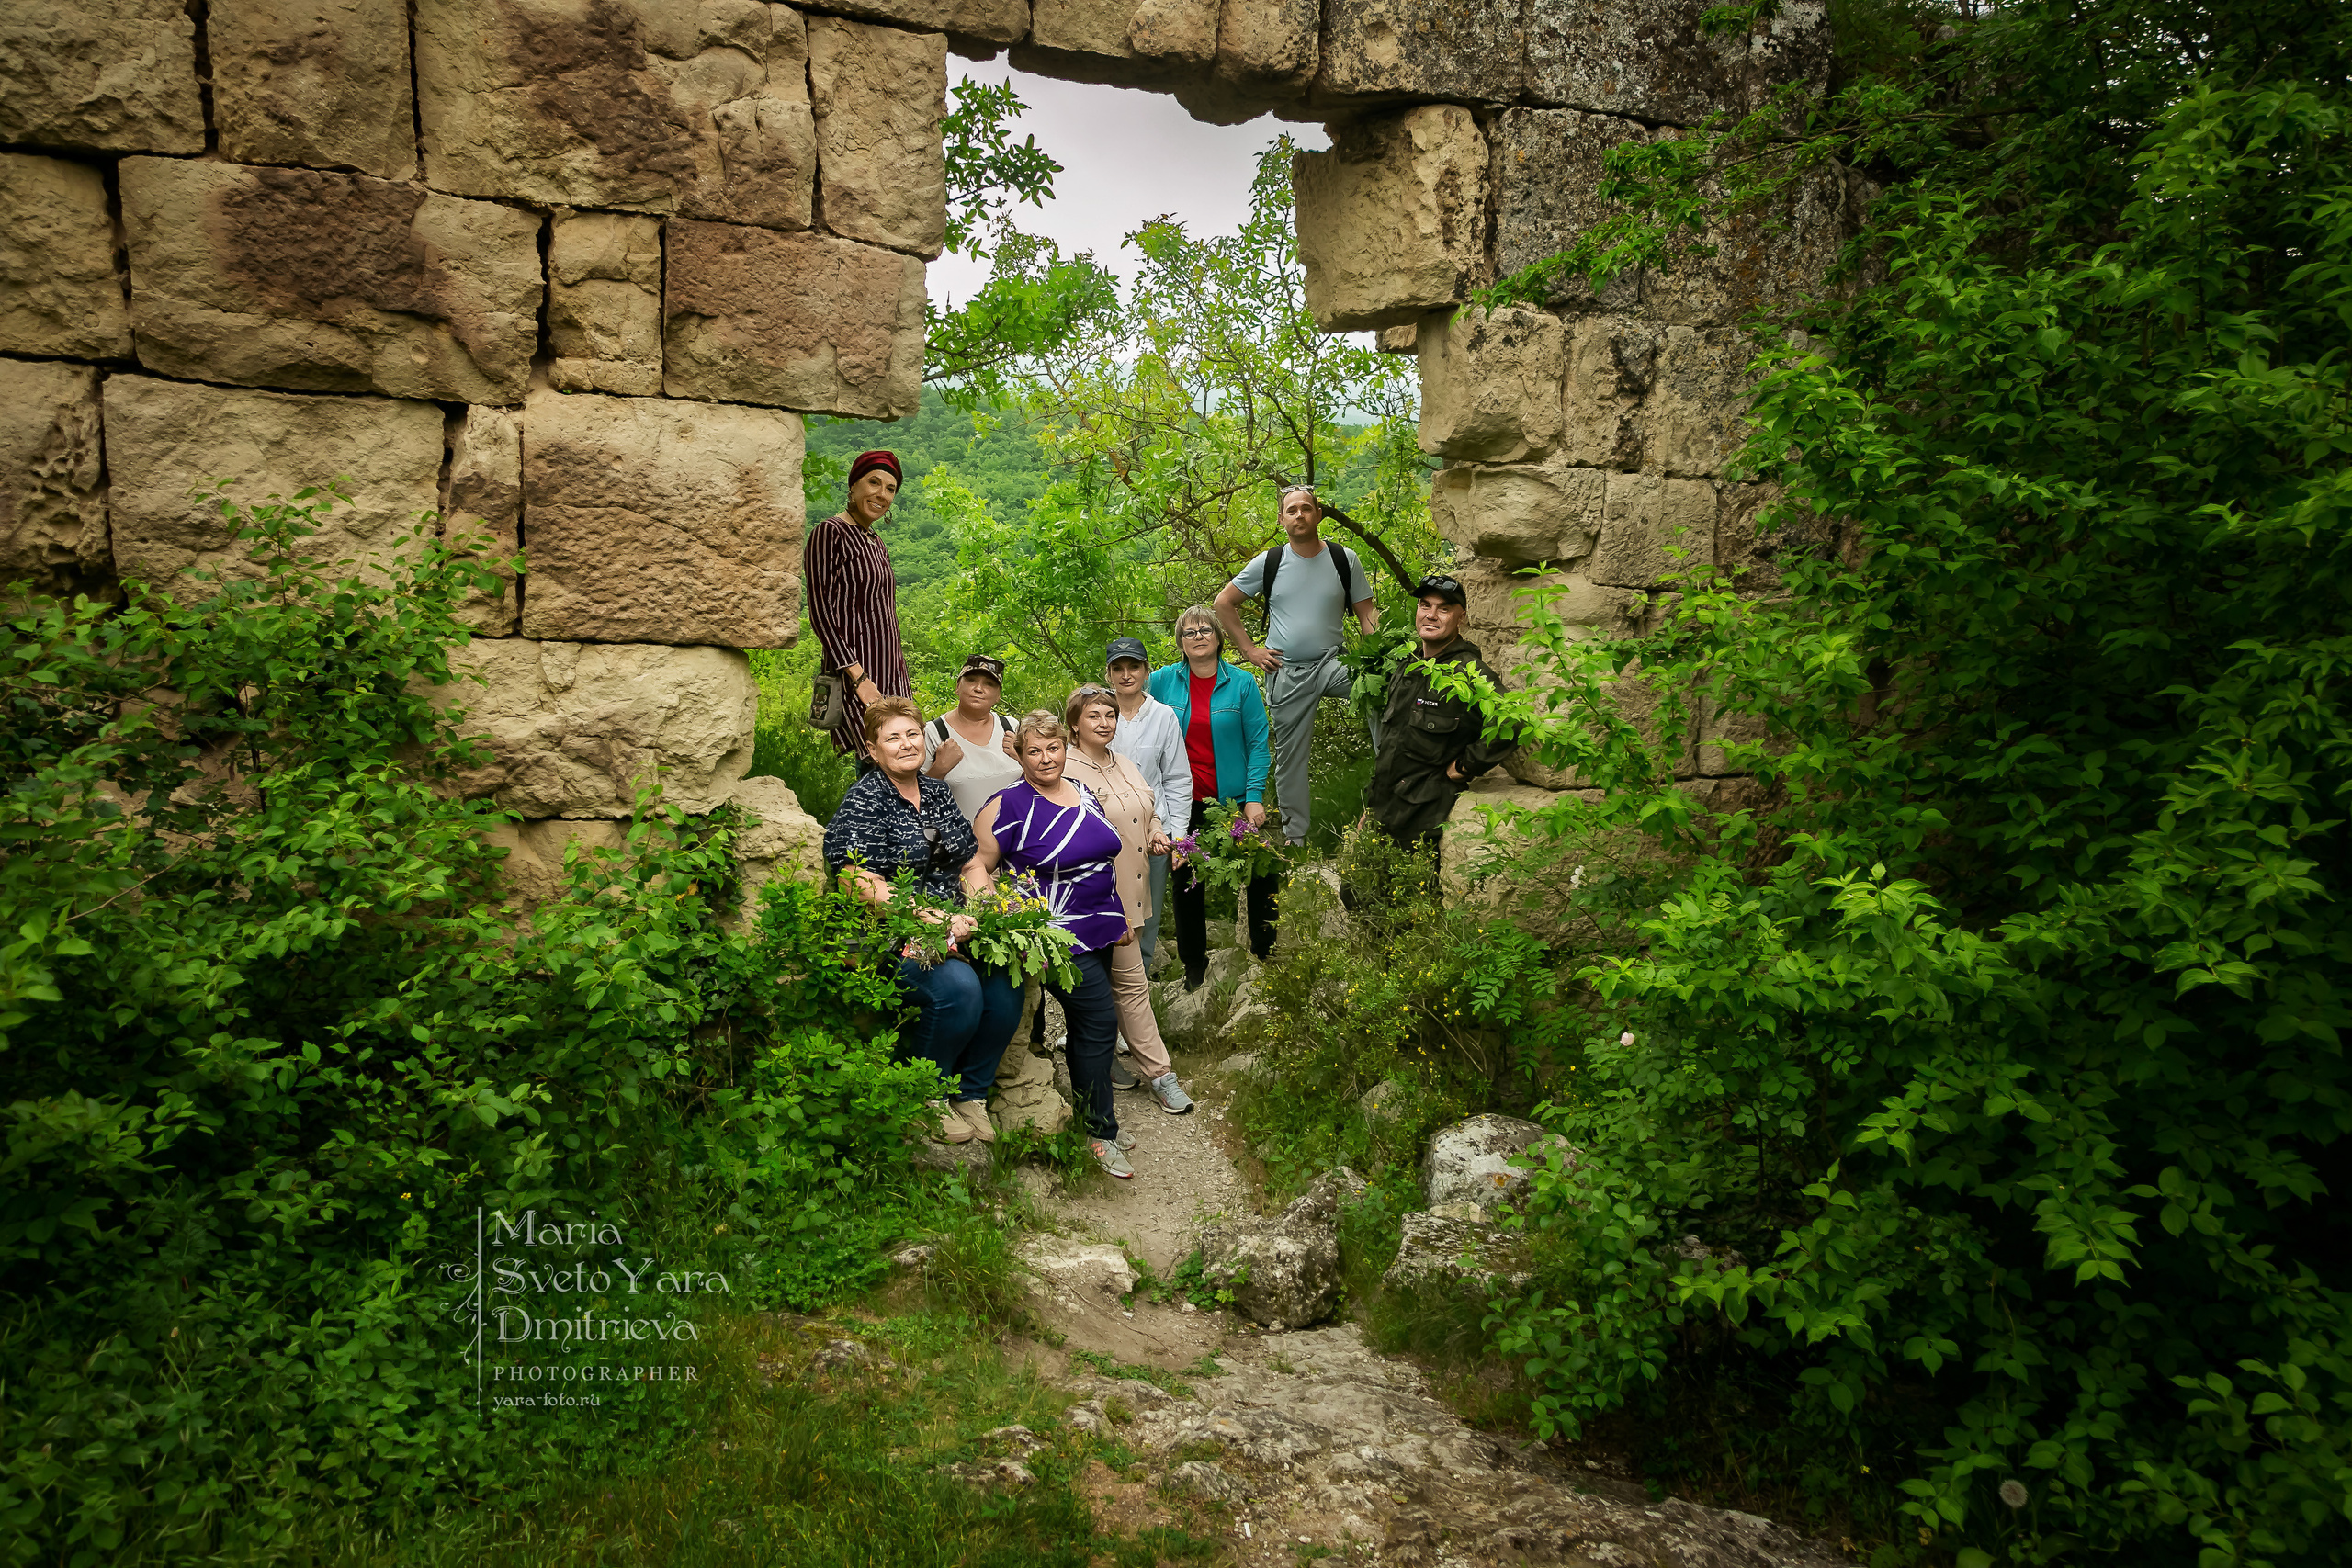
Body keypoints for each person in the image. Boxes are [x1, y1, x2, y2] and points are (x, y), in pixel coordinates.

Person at [821, 696, 1019, 1146]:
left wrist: (985, 912)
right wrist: (928, 917)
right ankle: (927, 1094)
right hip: (887, 933)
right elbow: (857, 880)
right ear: (874, 750)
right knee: (958, 987)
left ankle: (971, 1093)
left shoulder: (935, 793)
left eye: (912, 734)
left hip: (954, 923)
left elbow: (970, 864)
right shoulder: (866, 798)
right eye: (893, 738)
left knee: (1006, 976)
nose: (906, 744)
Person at [963, 712, 1139, 1179]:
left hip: (1100, 925)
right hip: (1057, 935)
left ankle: (1094, 1116)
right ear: (1019, 755)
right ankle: (1100, 1134)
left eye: (1054, 748)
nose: (1046, 759)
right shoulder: (1006, 806)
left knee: (1092, 1028)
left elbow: (1103, 859)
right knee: (1100, 1020)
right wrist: (1000, 918)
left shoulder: (1083, 791)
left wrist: (1118, 914)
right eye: (1034, 751)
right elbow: (976, 866)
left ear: (1066, 748)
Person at [1214, 484, 1380, 848]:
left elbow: (1366, 614)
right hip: (1286, 670)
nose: (1300, 515)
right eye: (1292, 510)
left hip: (1335, 663)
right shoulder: (1270, 562)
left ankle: (1388, 792)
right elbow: (1224, 602)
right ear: (1282, 519)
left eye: (1306, 508)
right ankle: (1296, 837)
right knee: (1290, 759)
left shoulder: (1343, 559)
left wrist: (1380, 657)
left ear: (1318, 515)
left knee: (1383, 692)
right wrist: (1250, 650)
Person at [1061, 683, 1196, 1116]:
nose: (1104, 723)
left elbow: (1147, 807)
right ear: (1074, 725)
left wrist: (1158, 830)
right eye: (1093, 716)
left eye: (1110, 715)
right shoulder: (1065, 768)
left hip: (1133, 892)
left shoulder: (1124, 763)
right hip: (1095, 900)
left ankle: (1111, 1065)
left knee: (1115, 987)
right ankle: (1161, 1075)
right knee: (1121, 988)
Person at [1148, 604, 1278, 989]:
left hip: (1233, 802)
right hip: (1181, 803)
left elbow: (1258, 742)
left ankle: (1264, 955)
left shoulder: (1241, 683)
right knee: (1187, 878)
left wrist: (1254, 796)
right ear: (1180, 642)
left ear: (1220, 637)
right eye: (1189, 632)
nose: (1198, 636)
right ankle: (1193, 965)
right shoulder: (1160, 682)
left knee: (1260, 871)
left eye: (1206, 629)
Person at [1363, 575, 1517, 852]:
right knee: (1355, 894)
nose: (1431, 615)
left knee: (1412, 893)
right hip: (1384, 809)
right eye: (1425, 606)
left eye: (1444, 609)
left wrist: (1465, 767)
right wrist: (1371, 807)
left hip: (1424, 817)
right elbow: (1391, 745)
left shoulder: (1470, 672)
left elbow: (1511, 720)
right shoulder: (1408, 668)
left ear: (1462, 618)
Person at [804, 450, 910, 767]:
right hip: (856, 673)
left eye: (890, 488)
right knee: (879, 762)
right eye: (873, 483)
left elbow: (883, 615)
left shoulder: (876, 542)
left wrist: (901, 677)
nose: (882, 494)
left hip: (891, 673)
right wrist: (859, 677)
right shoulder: (830, 533)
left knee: (902, 763)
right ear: (853, 487)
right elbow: (821, 614)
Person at [1103, 636, 1187, 975]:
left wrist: (1178, 836)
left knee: (1147, 910)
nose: (1126, 675)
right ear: (1108, 674)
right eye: (1118, 668)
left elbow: (1177, 779)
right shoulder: (1098, 714)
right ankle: (1106, 988)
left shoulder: (1163, 716)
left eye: (1133, 666)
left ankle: (1143, 984)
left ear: (1146, 671)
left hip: (1155, 831)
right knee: (1107, 907)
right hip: (1105, 831)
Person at [922, 653, 1021, 821]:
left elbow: (1039, 782)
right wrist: (939, 768)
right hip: (959, 842)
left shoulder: (1011, 727)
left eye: (989, 684)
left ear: (998, 696)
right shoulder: (934, 732)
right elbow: (915, 798)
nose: (978, 688)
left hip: (1015, 840)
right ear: (958, 687)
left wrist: (1022, 759)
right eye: (971, 680)